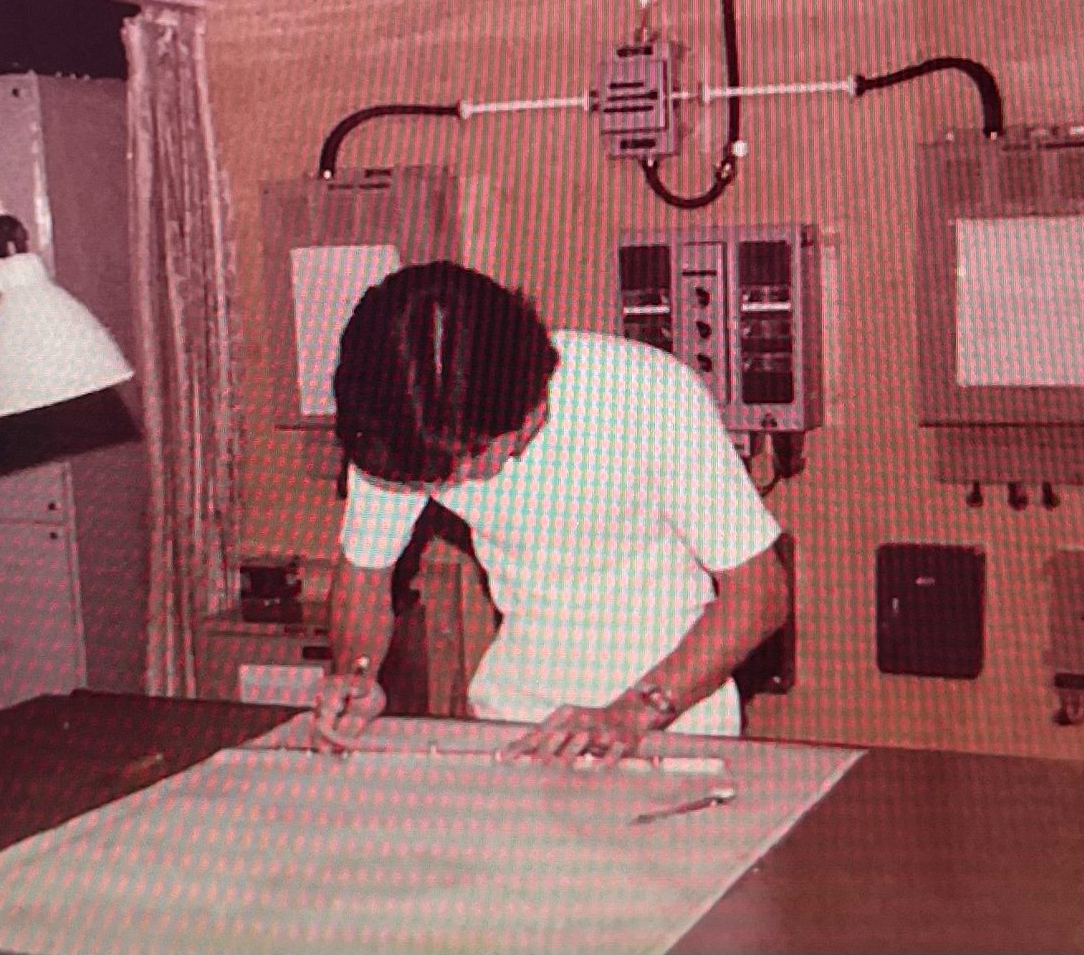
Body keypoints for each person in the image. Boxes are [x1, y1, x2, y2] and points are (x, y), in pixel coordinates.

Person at [312, 261, 788, 764]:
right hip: (518, 720)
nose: (464, 479)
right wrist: (355, 673)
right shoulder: (412, 419)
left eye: (478, 456)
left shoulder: (645, 393)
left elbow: (760, 594)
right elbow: (365, 573)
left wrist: (634, 712)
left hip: (672, 721)